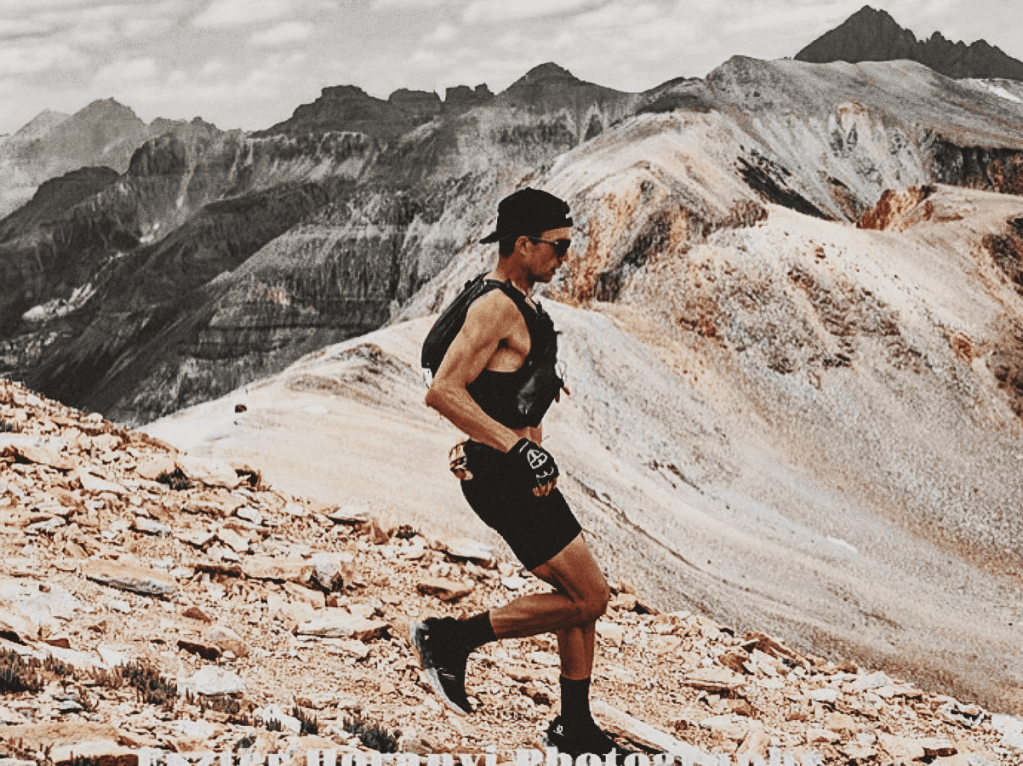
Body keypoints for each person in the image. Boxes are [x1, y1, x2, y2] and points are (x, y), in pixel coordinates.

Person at [411, 188, 630, 758]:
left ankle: (575, 729)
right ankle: (451, 638)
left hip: (520, 474)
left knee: (578, 596)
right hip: (505, 478)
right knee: (591, 597)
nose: (565, 257)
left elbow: (498, 395)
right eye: (558, 245)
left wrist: (517, 449)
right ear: (523, 244)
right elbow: (443, 391)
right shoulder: (494, 307)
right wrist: (515, 451)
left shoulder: (523, 303)